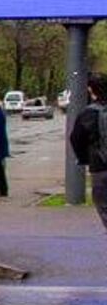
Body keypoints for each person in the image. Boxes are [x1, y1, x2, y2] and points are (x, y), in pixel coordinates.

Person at [68, 73, 107, 233]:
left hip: (100, 165)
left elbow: (76, 138)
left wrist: (84, 158)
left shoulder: (89, 113)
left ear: (91, 90)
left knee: (103, 204)